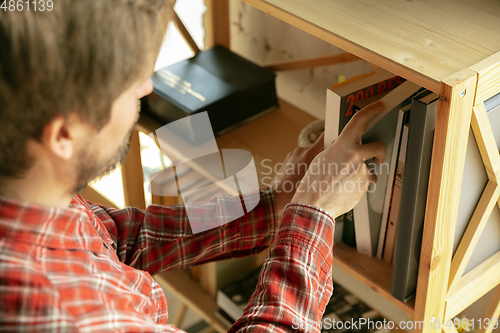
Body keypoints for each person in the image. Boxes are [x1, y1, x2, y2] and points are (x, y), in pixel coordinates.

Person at [0, 1, 386, 332]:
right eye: (130, 82)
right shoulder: (65, 315)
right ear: (63, 133)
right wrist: (314, 213)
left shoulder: (29, 194)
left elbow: (115, 240)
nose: (147, 89)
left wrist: (275, 206)